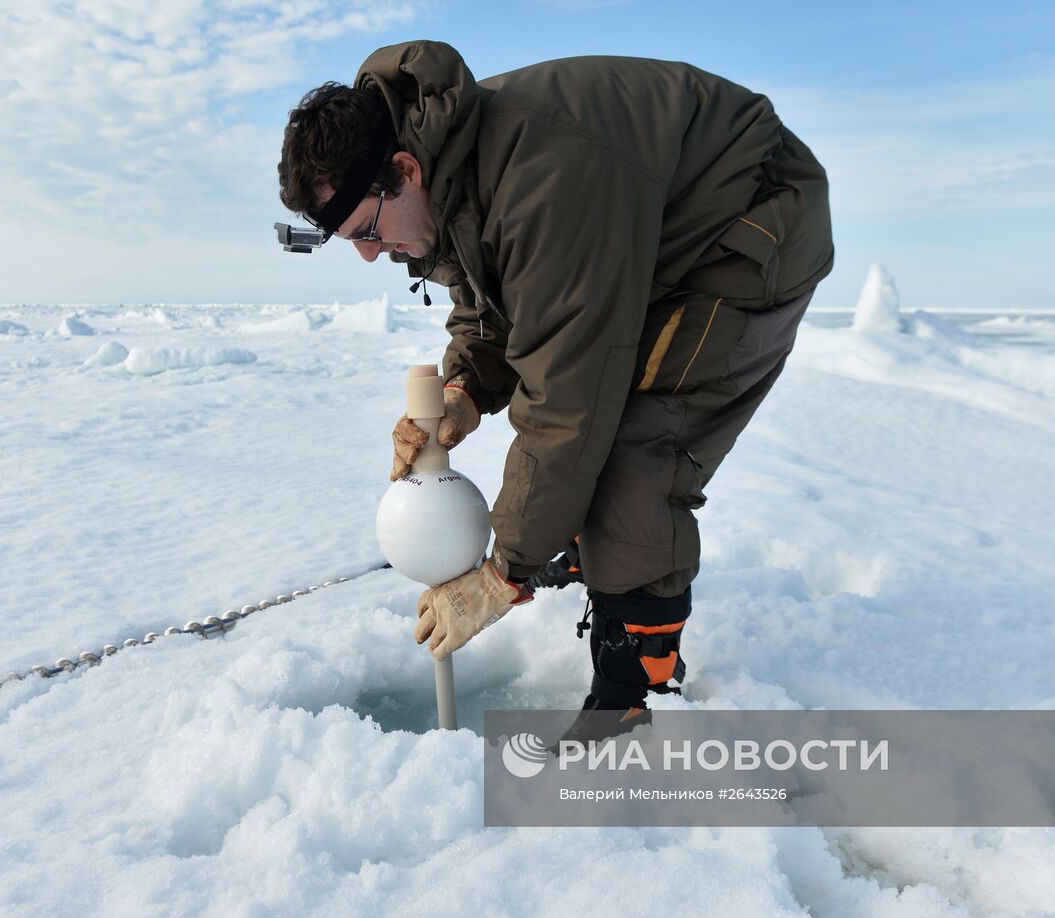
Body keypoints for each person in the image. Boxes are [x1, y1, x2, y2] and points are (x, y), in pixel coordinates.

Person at [277, 40, 833, 725]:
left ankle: (639, 688)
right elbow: (492, 301)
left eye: (367, 229)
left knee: (639, 445)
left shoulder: (543, 180)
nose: (368, 254)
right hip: (652, 235)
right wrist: (464, 390)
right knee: (592, 439)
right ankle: (581, 543)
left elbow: (568, 398)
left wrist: (501, 574)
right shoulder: (453, 168)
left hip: (750, 226)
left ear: (403, 169)